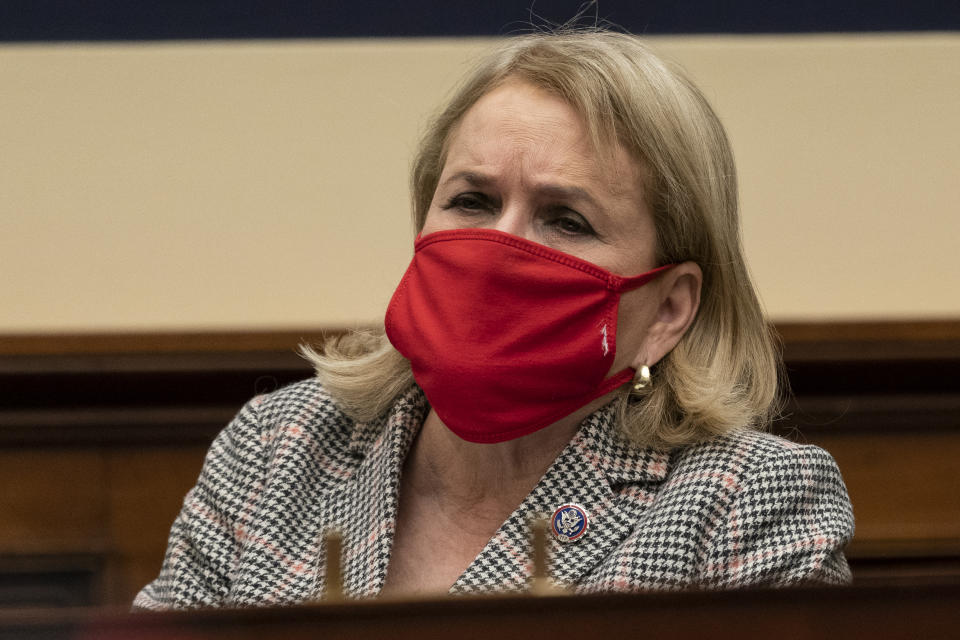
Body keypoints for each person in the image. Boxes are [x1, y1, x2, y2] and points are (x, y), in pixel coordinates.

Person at [134, 29, 853, 609]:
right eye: (472, 203)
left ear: (667, 309)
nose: (500, 249)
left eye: (565, 219)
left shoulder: (749, 501)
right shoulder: (275, 449)